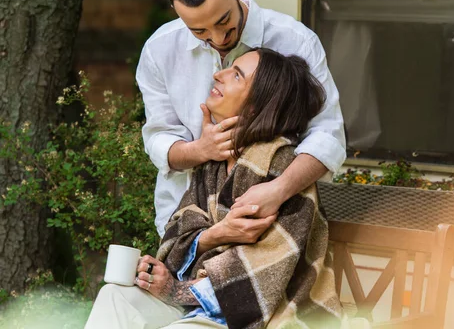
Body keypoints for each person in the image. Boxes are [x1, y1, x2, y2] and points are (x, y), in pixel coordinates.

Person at [85, 48, 342, 329]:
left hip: (264, 316)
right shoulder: (214, 164)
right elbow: (181, 228)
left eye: (236, 75)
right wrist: (214, 235)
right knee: (114, 296)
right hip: (199, 307)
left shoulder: (281, 165)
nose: (218, 74)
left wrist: (178, 290)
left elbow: (270, 269)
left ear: (258, 104)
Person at [135, 0, 346, 238]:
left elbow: (328, 135)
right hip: (182, 224)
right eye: (199, 31)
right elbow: (159, 138)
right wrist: (200, 150)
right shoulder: (159, 49)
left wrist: (278, 190)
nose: (218, 38)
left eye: (223, 21)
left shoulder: (296, 41)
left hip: (273, 223)